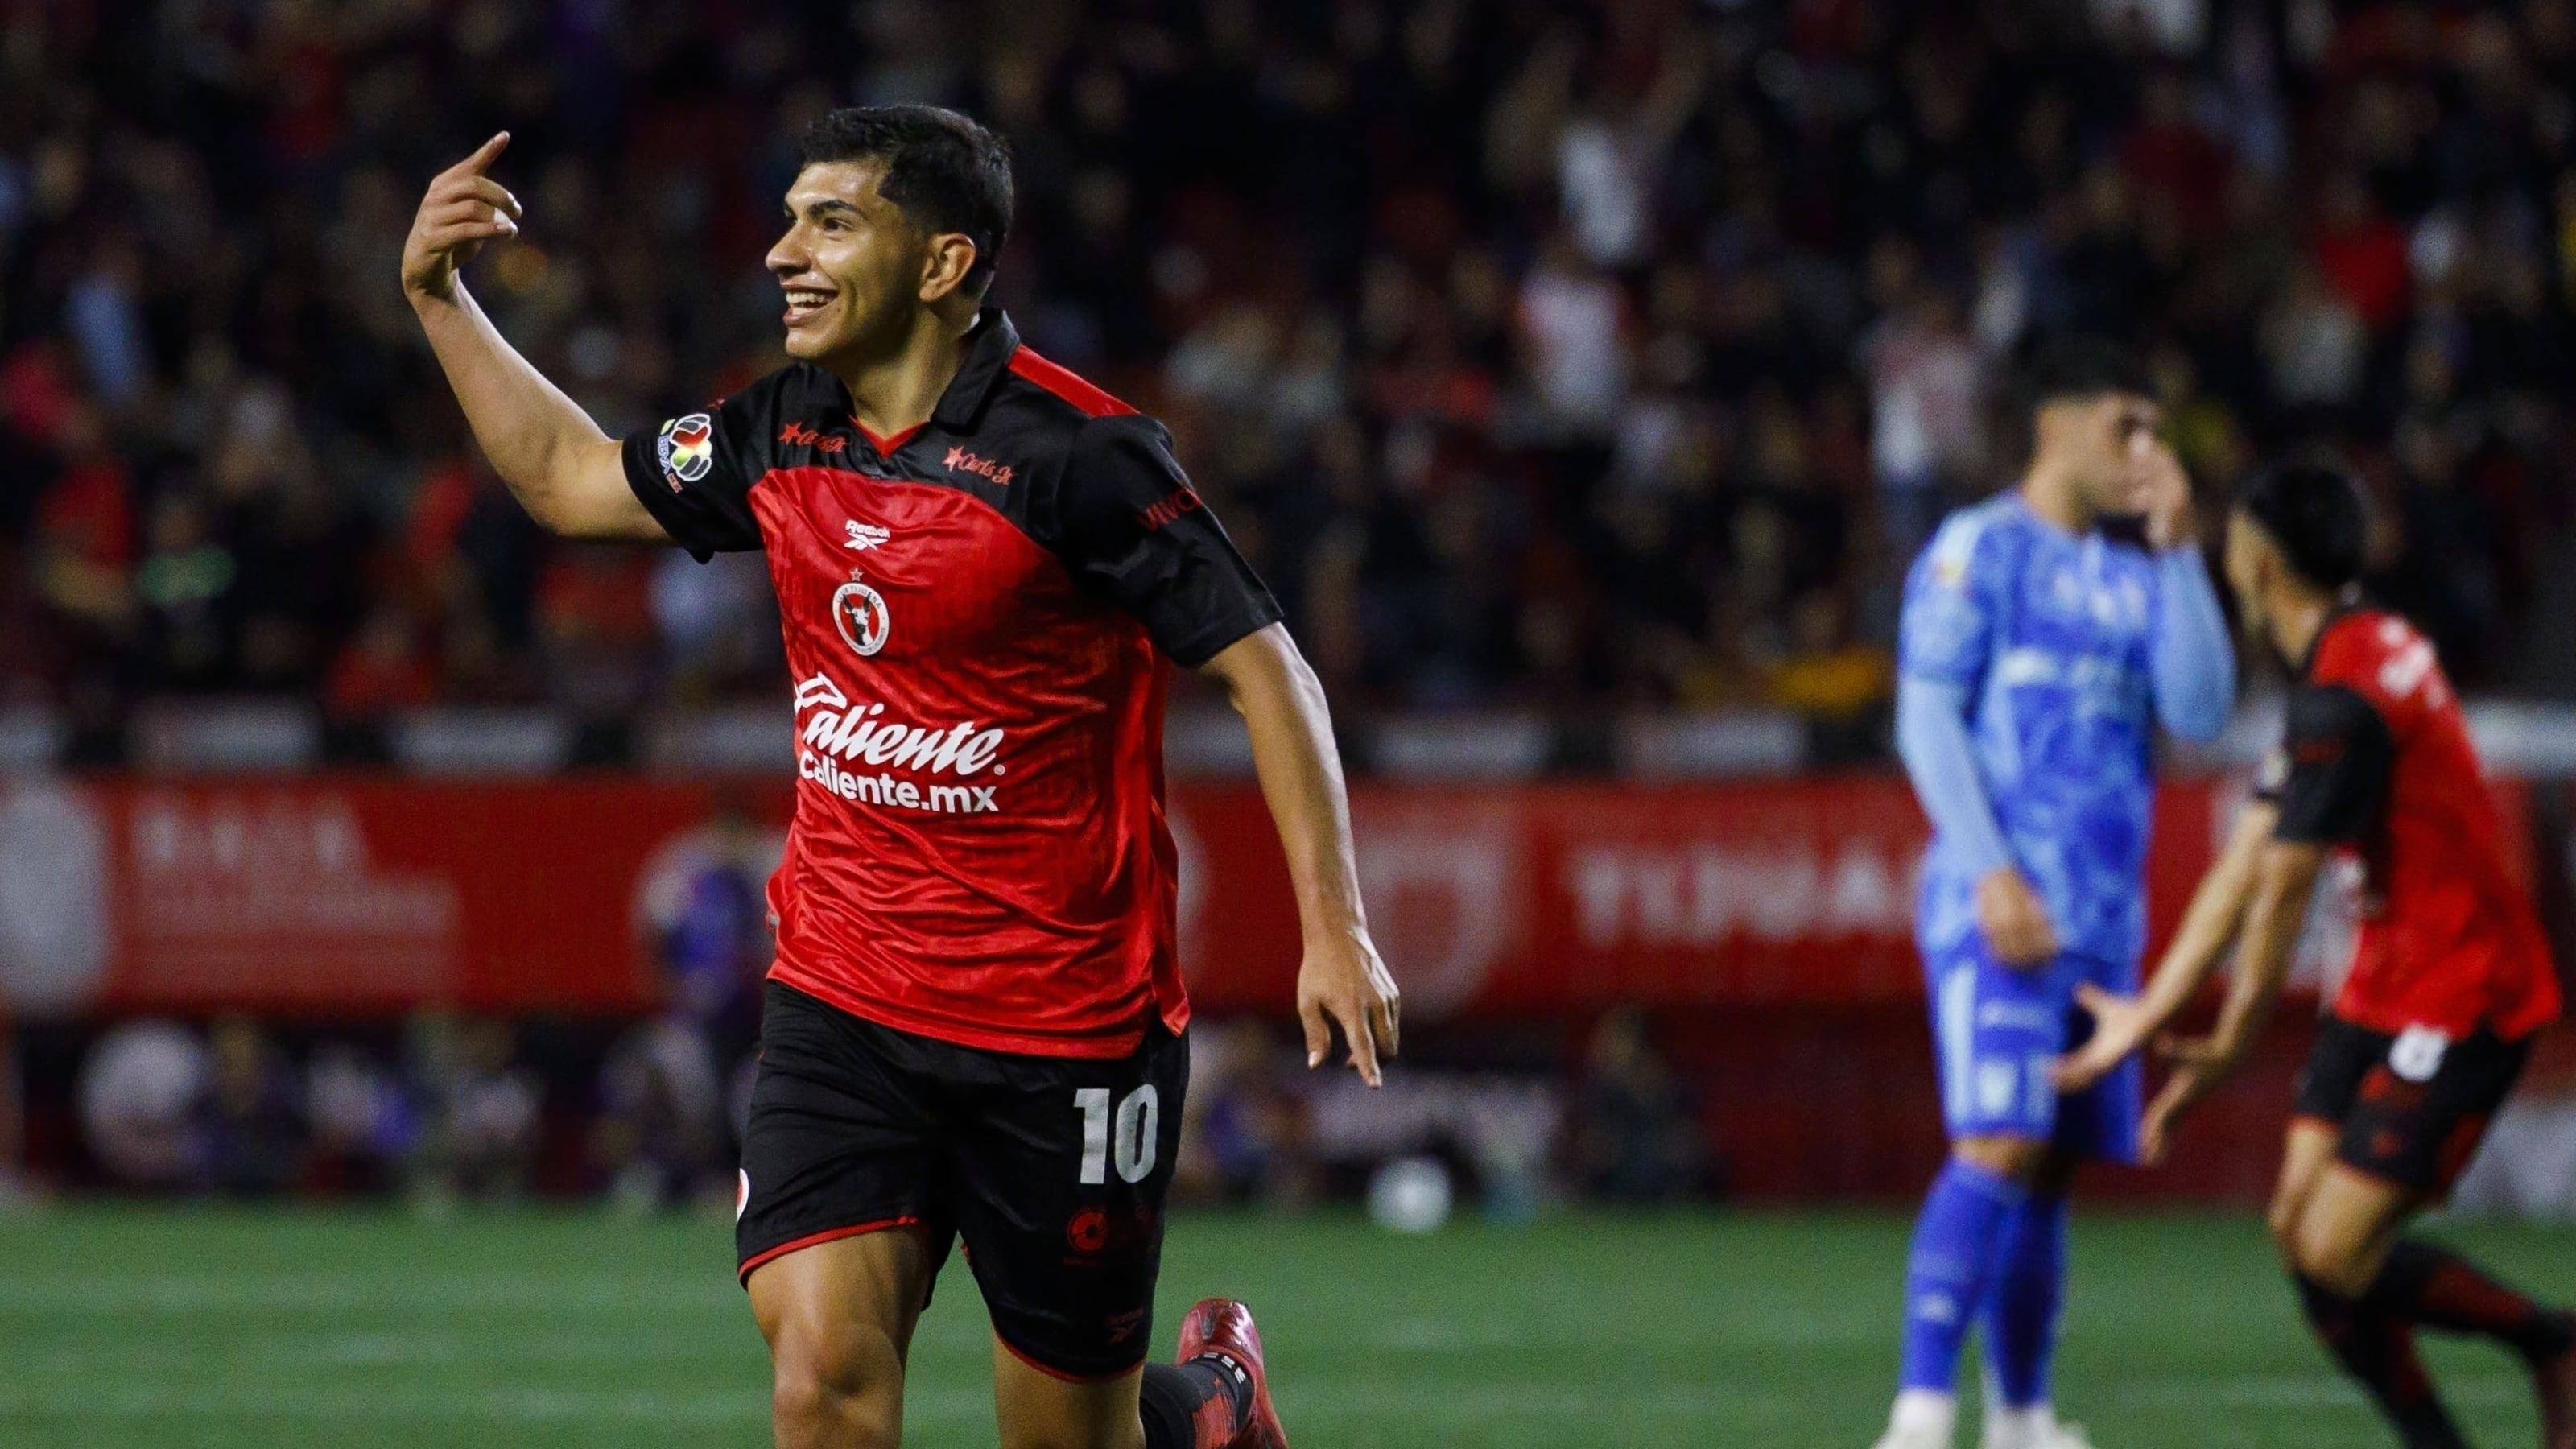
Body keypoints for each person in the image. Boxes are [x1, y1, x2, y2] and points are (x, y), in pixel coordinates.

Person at [400, 106, 1398, 1449]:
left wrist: (1334, 926)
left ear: (942, 264)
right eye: (788, 218)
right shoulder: (778, 430)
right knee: (823, 1384)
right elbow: (574, 479)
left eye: (829, 223)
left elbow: (1268, 672)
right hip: (845, 1003)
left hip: (1065, 1032)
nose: (780, 254)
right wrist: (440, 296)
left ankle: (1209, 1410)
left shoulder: (1081, 458)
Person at [2058, 459, 2575, 1449]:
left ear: (2256, 564)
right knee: (2299, 1236)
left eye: (2232, 541)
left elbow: (2280, 891)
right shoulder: (2358, 649)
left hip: (2462, 993)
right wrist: (2153, 1010)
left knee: (2335, 1251)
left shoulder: (2338, 700)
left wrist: (2227, 1040)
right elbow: (2241, 869)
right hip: (2386, 982)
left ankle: (2551, 1341)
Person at [1877, 339, 2236, 1449]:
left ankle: (2023, 1419)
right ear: (2057, 421)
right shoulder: (1978, 550)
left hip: (2104, 926)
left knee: (2051, 1171)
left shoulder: (2137, 576)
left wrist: (2181, 553)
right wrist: (1988, 867)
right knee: (1997, 1138)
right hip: (2000, 912)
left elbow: (2204, 711)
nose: (2146, 450)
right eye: (2126, 424)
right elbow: (1928, 717)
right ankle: (1920, 1417)